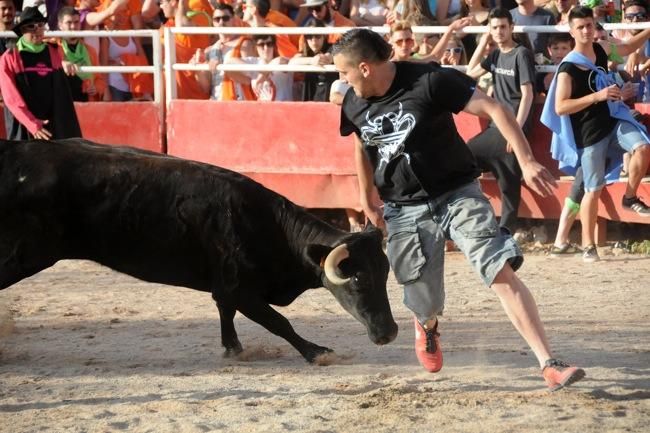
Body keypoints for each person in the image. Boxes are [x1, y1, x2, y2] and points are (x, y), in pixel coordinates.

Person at [333, 27, 585, 391]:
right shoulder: (353, 102)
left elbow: (495, 107)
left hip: (458, 193)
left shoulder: (430, 80)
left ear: (365, 67)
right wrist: (365, 195)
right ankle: (428, 325)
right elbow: (361, 145)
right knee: (424, 299)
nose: (342, 81)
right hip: (403, 208)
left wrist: (527, 160)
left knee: (498, 267)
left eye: (344, 72)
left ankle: (548, 362)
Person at [541, 6, 650, 263]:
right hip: (589, 134)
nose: (587, 31)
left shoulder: (600, 48)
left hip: (613, 121)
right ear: (572, 31)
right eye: (580, 27)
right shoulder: (568, 68)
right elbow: (560, 106)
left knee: (643, 148)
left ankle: (630, 197)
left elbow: (625, 48)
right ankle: (588, 245)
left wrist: (647, 30)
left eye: (589, 25)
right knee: (593, 189)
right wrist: (598, 96)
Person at [466, 8, 536, 234]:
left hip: (514, 128)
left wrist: (516, 131)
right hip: (496, 127)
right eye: (494, 27)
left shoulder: (521, 54)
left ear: (511, 27)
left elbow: (528, 95)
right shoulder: (495, 55)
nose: (499, 31)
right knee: (464, 159)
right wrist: (483, 40)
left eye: (503, 27)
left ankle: (505, 233)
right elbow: (470, 72)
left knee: (509, 186)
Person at [0, 7, 81, 140]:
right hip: (24, 127)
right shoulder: (9, 58)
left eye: (40, 25)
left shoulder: (53, 51)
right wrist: (32, 123)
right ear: (22, 30)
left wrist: (64, 62)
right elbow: (11, 98)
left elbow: (61, 92)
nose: (37, 30)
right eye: (31, 26)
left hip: (52, 126)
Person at [191, 2, 256, 100]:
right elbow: (206, 87)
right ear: (213, 23)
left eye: (225, 18)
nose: (221, 22)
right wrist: (197, 70)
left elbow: (251, 80)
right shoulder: (210, 50)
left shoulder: (244, 44)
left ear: (233, 20)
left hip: (239, 102)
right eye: (217, 19)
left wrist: (224, 67)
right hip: (217, 102)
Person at [57, 6, 106, 102]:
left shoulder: (90, 50)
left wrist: (96, 88)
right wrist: (61, 63)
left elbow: (100, 80)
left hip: (87, 103)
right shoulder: (53, 47)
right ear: (60, 25)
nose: (73, 27)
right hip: (65, 102)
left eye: (76, 22)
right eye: (68, 23)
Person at [227, 34, 294, 101]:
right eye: (261, 45)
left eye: (269, 44)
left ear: (274, 46)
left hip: (283, 108)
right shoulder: (255, 62)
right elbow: (229, 62)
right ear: (256, 47)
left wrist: (264, 73)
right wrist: (256, 71)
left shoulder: (279, 60)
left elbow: (283, 61)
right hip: (262, 108)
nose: (266, 48)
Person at [289, 19, 337, 101]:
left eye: (317, 36)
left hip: (329, 96)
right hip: (311, 94)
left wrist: (326, 58)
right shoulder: (306, 53)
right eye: (309, 36)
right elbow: (292, 62)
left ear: (324, 36)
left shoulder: (333, 47)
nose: (314, 41)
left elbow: (331, 55)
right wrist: (311, 61)